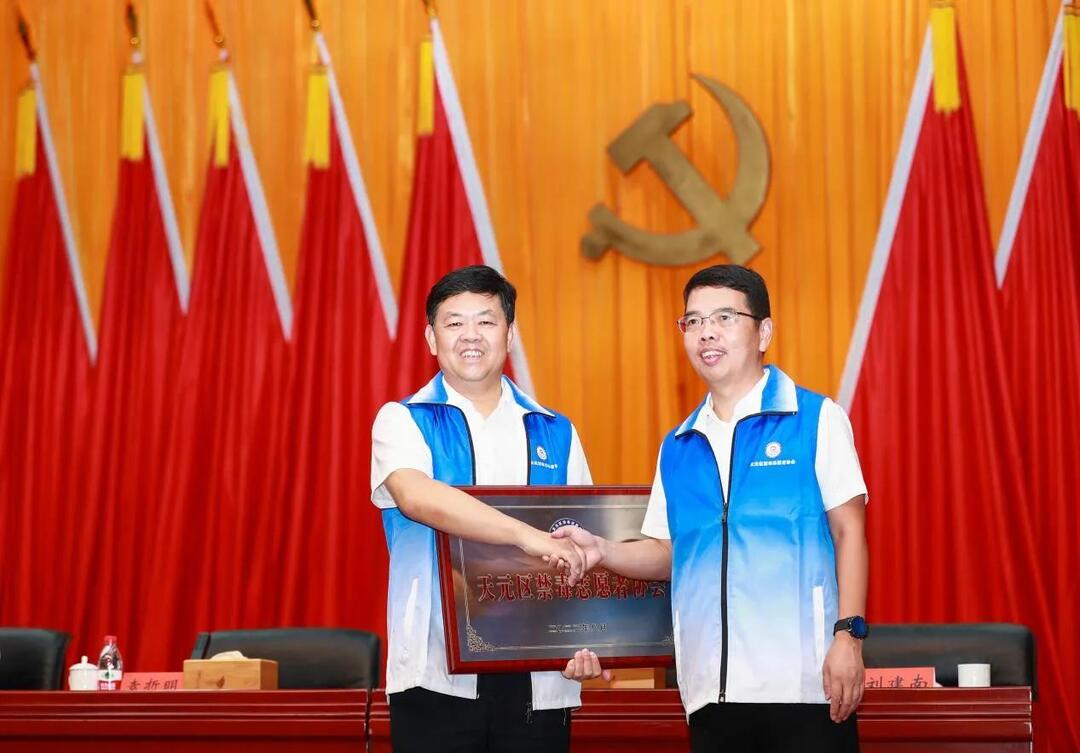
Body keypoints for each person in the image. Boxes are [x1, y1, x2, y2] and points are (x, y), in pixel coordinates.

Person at [555, 264, 869, 753]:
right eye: (694, 321)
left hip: (804, 685)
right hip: (710, 692)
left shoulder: (815, 419)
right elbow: (668, 552)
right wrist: (602, 549)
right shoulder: (678, 445)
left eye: (724, 318)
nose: (706, 333)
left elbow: (850, 532)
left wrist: (849, 635)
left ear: (763, 332)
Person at [371, 264, 608, 753]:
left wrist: (593, 638)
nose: (470, 335)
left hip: (540, 675)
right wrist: (526, 536)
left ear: (510, 334)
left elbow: (586, 544)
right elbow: (417, 497)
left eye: (486, 320)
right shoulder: (403, 420)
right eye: (454, 323)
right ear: (431, 338)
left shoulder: (555, 430)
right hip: (436, 672)